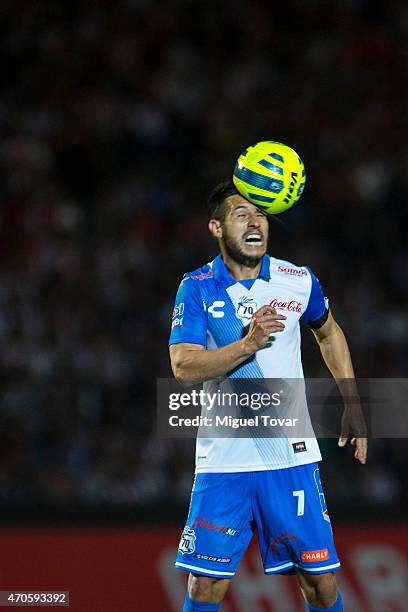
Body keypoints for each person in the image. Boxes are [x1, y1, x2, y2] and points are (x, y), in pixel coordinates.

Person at [169, 180, 367, 612]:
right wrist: (248, 344)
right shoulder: (198, 287)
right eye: (241, 213)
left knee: (322, 584)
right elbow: (183, 366)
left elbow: (329, 332)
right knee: (205, 588)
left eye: (260, 212)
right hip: (224, 462)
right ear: (217, 229)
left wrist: (351, 402)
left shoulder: (297, 280)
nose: (255, 220)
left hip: (290, 458)